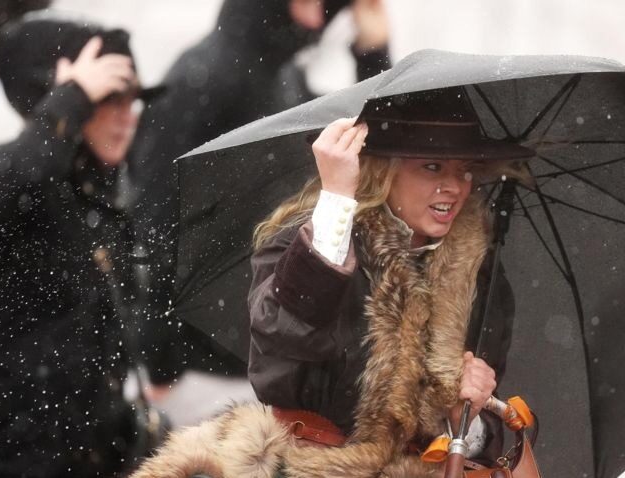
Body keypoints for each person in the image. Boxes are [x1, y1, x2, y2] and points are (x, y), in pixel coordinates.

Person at [130, 89, 533, 477]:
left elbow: (487, 437)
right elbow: (279, 340)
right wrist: (338, 197)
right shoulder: (317, 240)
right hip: (303, 466)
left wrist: (469, 418)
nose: (455, 186)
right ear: (382, 168)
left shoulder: (482, 281)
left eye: (465, 171)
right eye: (432, 167)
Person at [0, 16, 160, 477]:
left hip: (66, 459)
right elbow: (19, 182)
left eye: (133, 99)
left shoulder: (102, 202)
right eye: (110, 98)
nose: (128, 115)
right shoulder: (2, 171)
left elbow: (98, 352)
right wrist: (71, 97)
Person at [129, 0, 392, 396]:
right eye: (309, 2)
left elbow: (360, 141)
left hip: (265, 350)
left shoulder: (283, 74)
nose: (318, 15)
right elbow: (155, 217)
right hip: (200, 367)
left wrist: (372, 53)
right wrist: (159, 359)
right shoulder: (207, 76)